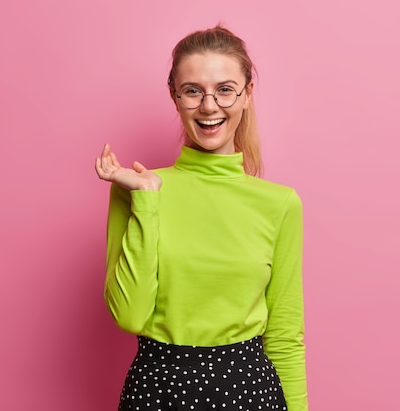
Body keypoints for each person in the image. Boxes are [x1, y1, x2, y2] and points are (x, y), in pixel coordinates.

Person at [95, 25, 307, 411]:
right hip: (157, 392)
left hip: (250, 393)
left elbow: (285, 336)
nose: (209, 106)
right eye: (193, 91)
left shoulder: (280, 204)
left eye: (225, 89)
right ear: (175, 97)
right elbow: (129, 316)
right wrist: (146, 200)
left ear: (247, 95)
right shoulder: (137, 189)